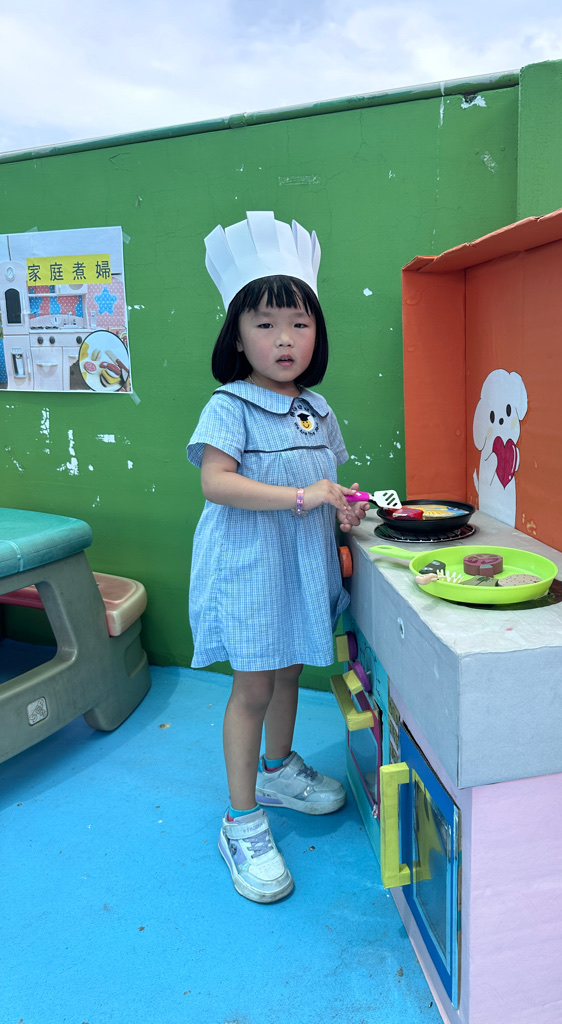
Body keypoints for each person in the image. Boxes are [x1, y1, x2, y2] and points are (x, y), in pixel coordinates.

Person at [187, 212, 368, 903]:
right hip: (250, 570)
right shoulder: (229, 405)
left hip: (301, 569)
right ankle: (241, 822)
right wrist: (302, 497)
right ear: (237, 335)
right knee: (254, 688)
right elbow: (216, 482)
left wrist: (340, 504)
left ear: (316, 332)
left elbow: (324, 482)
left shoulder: (316, 409)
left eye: (299, 322)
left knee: (289, 670)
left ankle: (278, 769)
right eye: (265, 324)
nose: (285, 338)